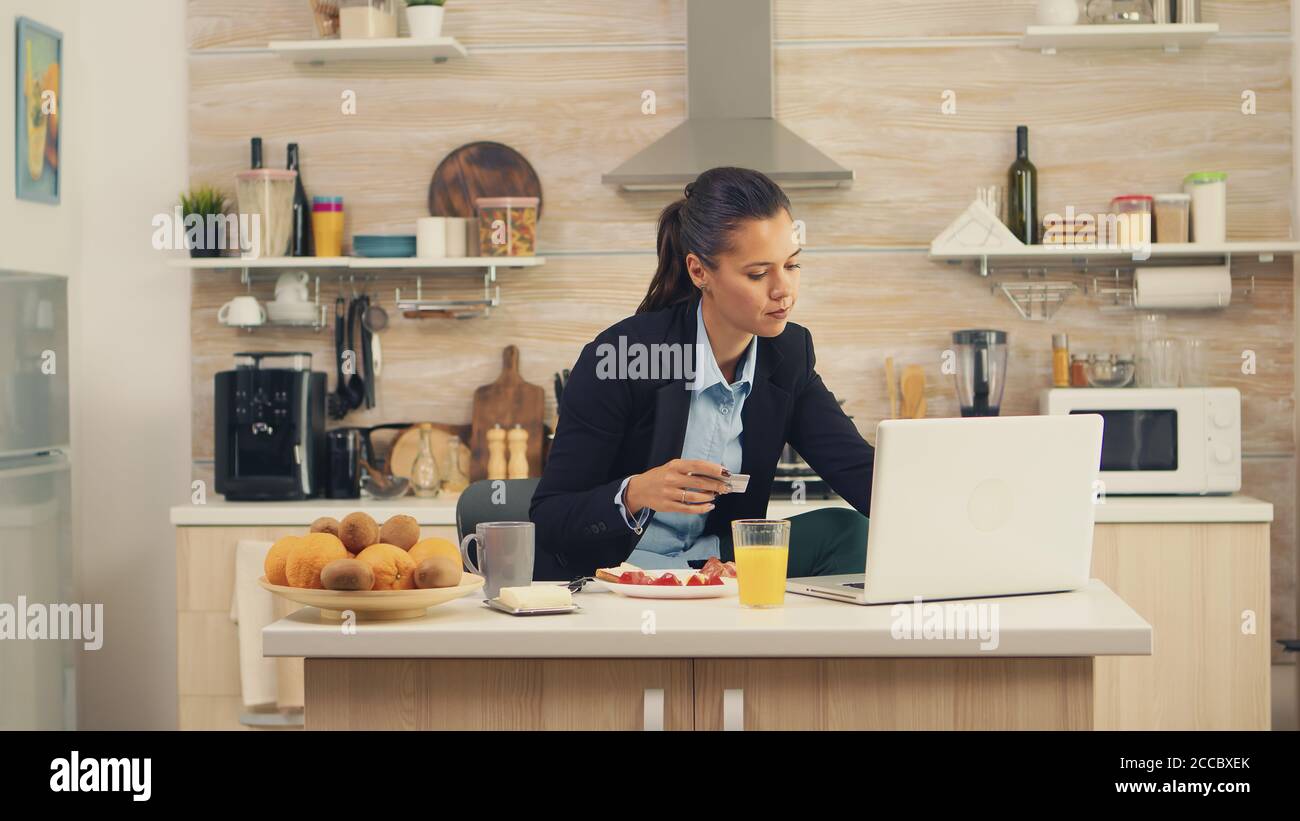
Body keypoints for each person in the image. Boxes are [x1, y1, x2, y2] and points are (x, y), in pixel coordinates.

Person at [529, 167, 873, 580]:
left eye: (792, 265)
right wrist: (635, 492)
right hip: (620, 569)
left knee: (847, 530)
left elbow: (860, 473)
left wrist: (952, 514)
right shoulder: (622, 356)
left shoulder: (788, 355)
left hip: (720, 565)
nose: (783, 290)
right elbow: (549, 517)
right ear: (699, 272)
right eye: (758, 274)